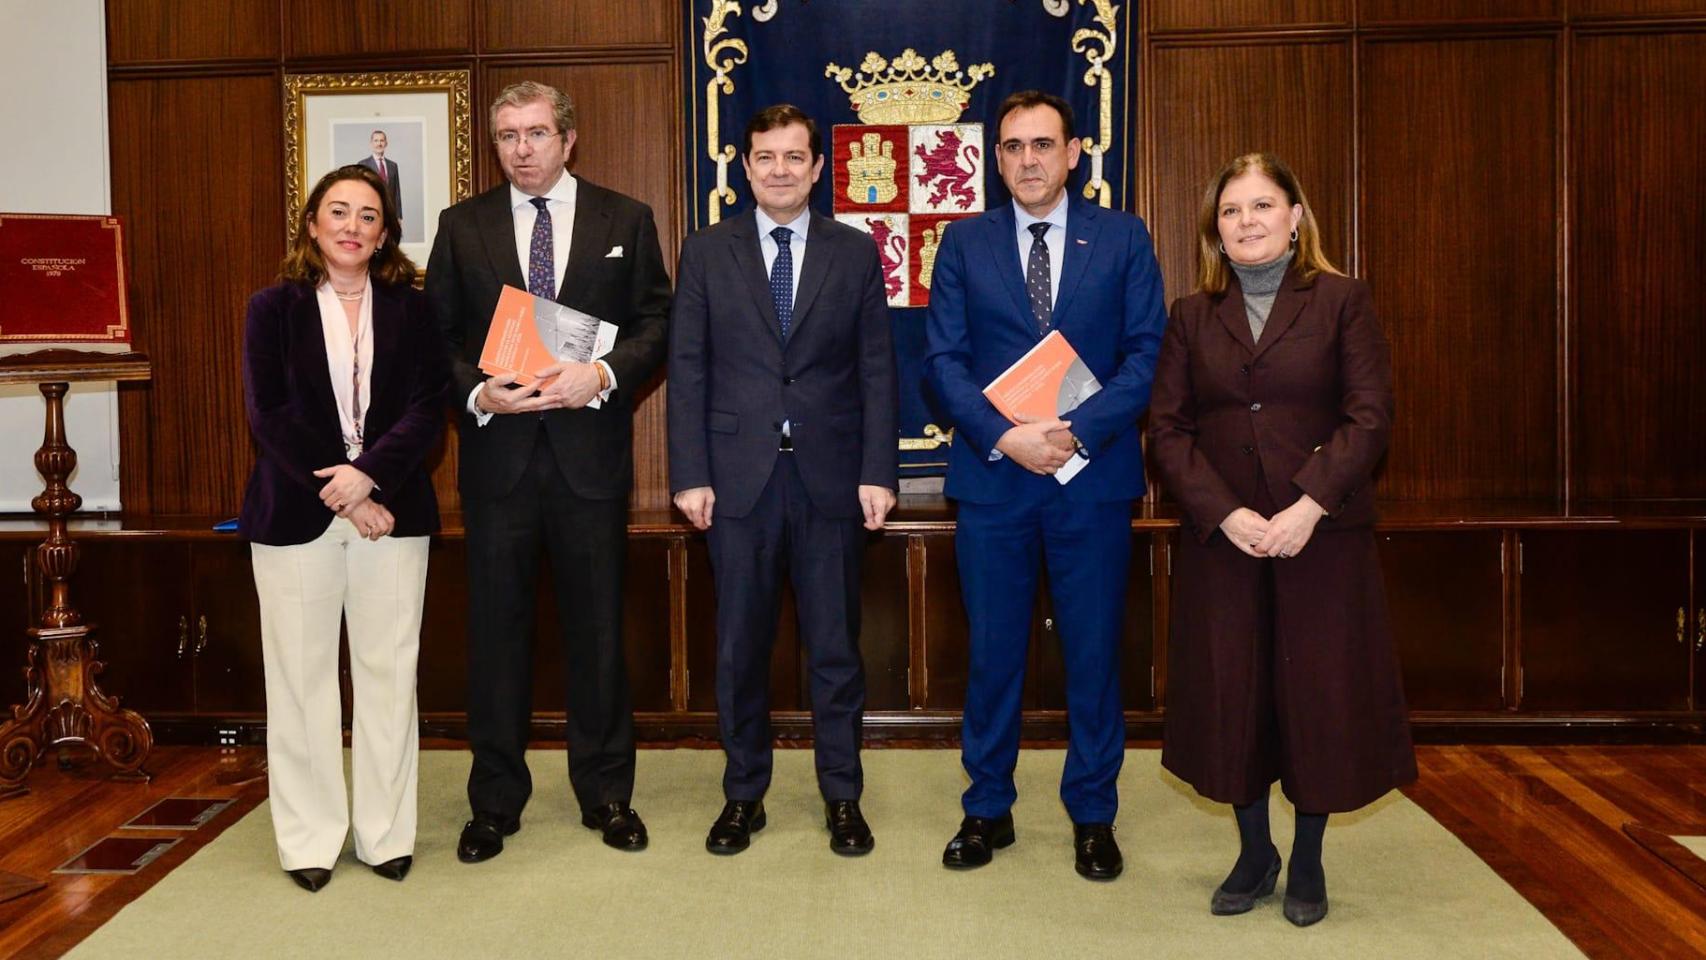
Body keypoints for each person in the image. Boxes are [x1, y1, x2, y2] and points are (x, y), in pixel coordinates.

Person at [1149, 152, 1416, 926]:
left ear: (1296, 217)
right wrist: (1225, 513)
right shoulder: (1190, 315)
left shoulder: (1341, 301)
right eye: (1231, 211)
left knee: (1317, 696)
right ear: (1215, 230)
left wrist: (1309, 506)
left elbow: (1369, 417)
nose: (1247, 221)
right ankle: (1253, 850)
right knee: (1234, 693)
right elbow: (1168, 429)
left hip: (1320, 539)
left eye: (1262, 206)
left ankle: (1305, 857)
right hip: (1223, 537)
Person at [425, 81, 670, 863]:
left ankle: (607, 795)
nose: (521, 148)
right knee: (496, 638)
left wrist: (598, 376)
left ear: (569, 139)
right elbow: (436, 338)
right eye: (507, 136)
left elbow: (656, 322)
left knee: (598, 634)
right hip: (498, 461)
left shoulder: (623, 219)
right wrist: (474, 390)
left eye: (535, 133)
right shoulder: (460, 227)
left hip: (588, 462)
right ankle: (494, 803)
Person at [923, 90, 1165, 880]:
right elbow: (943, 363)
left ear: (1073, 154)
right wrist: (1005, 435)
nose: (1028, 159)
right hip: (995, 483)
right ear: (996, 160)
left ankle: (1093, 815)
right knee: (993, 655)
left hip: (1091, 482)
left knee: (1093, 655)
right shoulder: (964, 243)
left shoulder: (1123, 237)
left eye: (1042, 145)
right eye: (1013, 147)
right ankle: (987, 807)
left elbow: (1145, 355)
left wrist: (1075, 432)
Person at [668, 104, 898, 857]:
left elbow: (876, 368)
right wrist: (690, 473)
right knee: (740, 648)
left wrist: (878, 471)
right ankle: (744, 796)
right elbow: (689, 368)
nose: (779, 169)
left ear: (817, 166)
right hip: (736, 482)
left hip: (832, 479)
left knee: (834, 647)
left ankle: (842, 795)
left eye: (794, 157)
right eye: (765, 156)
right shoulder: (706, 251)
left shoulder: (856, 252)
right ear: (745, 166)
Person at [239, 164, 448, 892]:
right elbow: (269, 414)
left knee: (390, 676)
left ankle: (386, 834)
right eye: (339, 211)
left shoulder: (413, 310)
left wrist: (373, 478)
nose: (353, 226)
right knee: (301, 681)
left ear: (385, 232)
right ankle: (309, 840)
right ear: (312, 225)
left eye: (368, 215)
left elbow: (428, 407)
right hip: (296, 514)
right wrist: (348, 492)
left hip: (395, 514)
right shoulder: (272, 308)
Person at [358, 130, 403, 224]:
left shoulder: (393, 166)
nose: (379, 144)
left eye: (382, 141)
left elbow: (396, 193)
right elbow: (360, 192)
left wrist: (399, 216)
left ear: (386, 143)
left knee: (389, 238)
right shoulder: (363, 165)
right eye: (376, 141)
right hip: (370, 212)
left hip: (390, 214)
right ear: (371, 143)